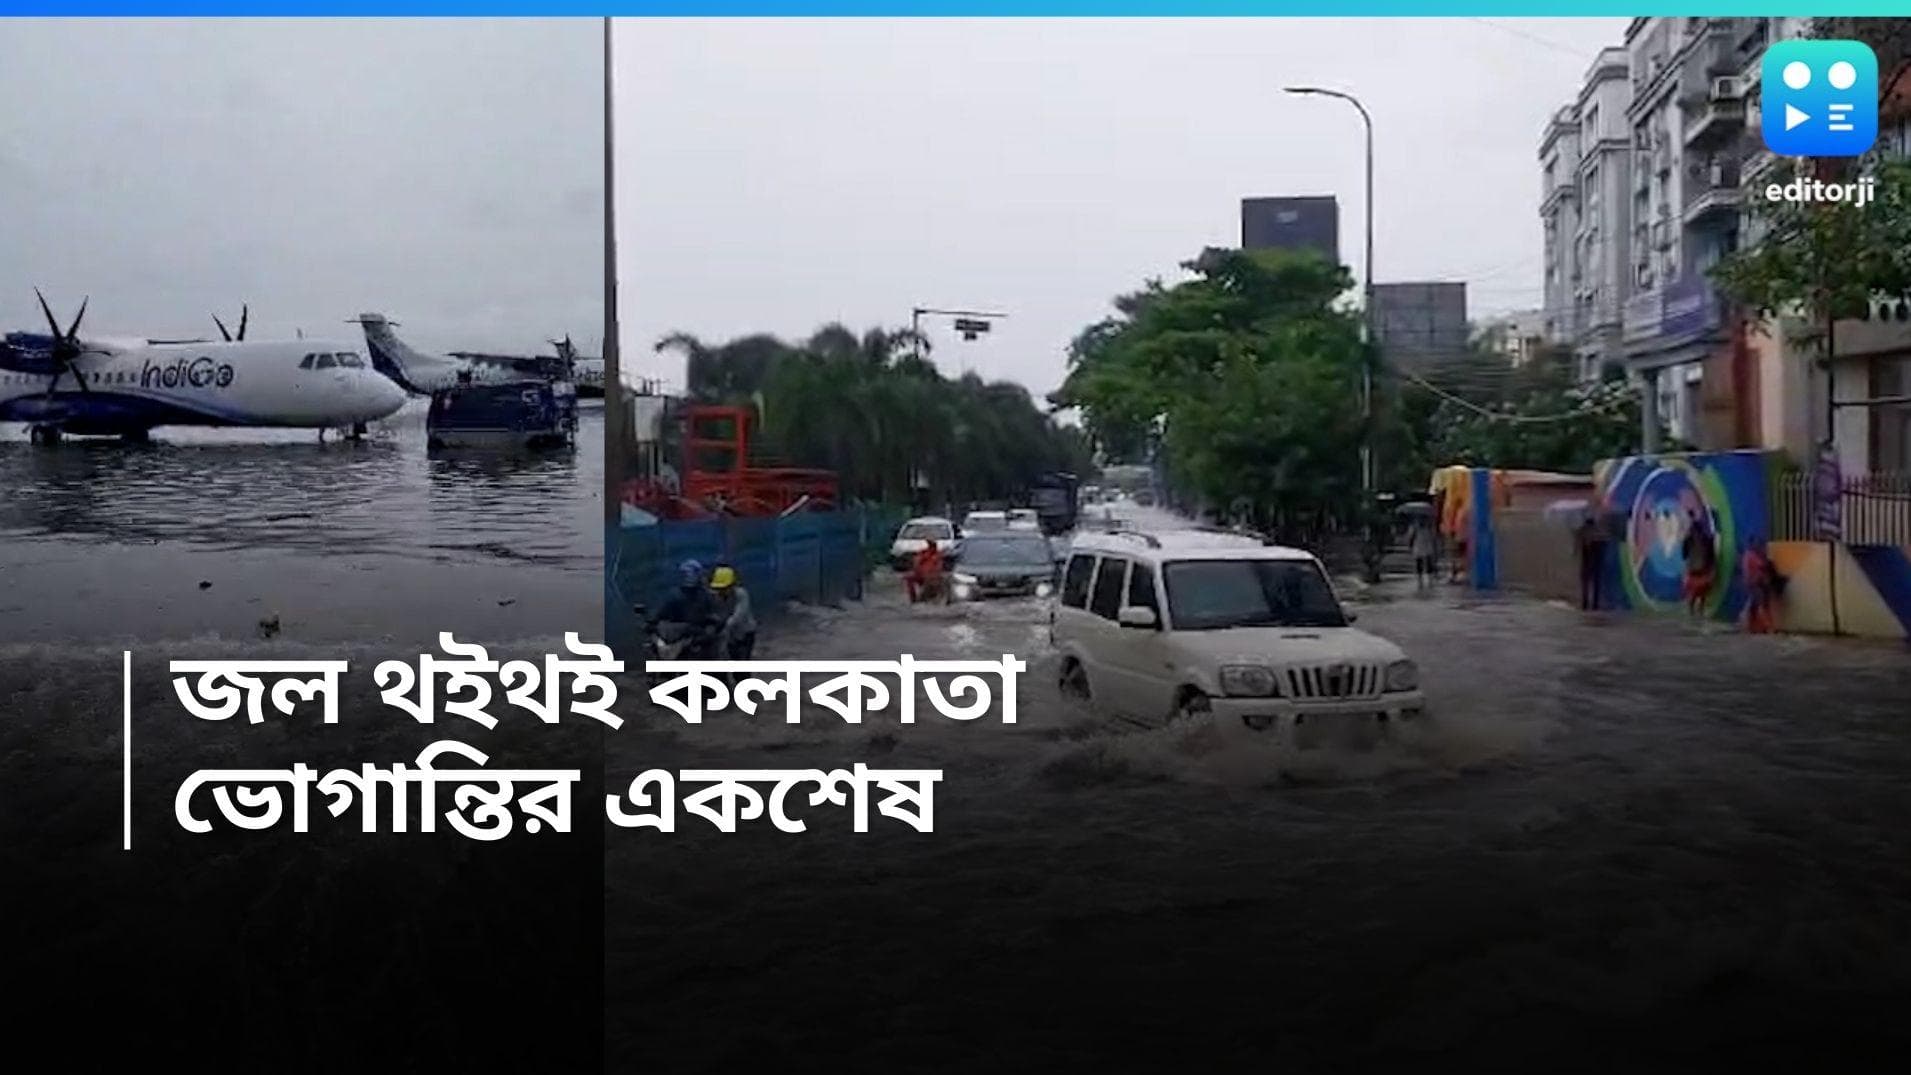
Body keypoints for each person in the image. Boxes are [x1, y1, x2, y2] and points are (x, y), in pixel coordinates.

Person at [655, 559, 719, 646]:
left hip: (699, 639)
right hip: (680, 640)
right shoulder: (675, 596)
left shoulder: (704, 595)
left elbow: (713, 616)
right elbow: (661, 617)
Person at [709, 564, 757, 660]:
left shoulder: (741, 594)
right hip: (730, 634)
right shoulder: (717, 597)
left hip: (744, 633)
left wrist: (724, 627)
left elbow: (739, 615)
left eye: (724, 588)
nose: (721, 591)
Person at [1681, 509, 1718, 620]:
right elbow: (1711, 553)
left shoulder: (1694, 539)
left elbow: (1684, 553)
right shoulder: (1704, 539)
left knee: (1698, 592)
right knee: (1700, 592)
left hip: (1697, 568)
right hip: (1700, 568)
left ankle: (1694, 612)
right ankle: (1696, 611)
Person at [1741, 542, 1778, 634]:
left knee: (1754, 606)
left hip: (1755, 583)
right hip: (1756, 583)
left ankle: (1752, 627)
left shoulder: (1749, 555)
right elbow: (1761, 565)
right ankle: (1769, 627)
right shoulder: (1752, 556)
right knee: (1762, 605)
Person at [1575, 511, 1607, 611]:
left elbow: (1578, 547)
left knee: (1587, 583)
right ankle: (1594, 605)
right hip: (1596, 565)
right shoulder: (1599, 533)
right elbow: (1604, 546)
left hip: (1588, 564)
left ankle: (1585, 604)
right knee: (1595, 583)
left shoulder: (1582, 532)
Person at [905, 539, 946, 604]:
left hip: (931, 576)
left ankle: (926, 597)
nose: (931, 548)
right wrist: (922, 557)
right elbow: (916, 564)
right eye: (930, 546)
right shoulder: (923, 553)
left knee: (932, 580)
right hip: (921, 574)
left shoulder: (937, 555)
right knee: (909, 579)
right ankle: (913, 598)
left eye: (932, 546)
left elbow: (939, 567)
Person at [1407, 515, 1437, 592]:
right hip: (1421, 547)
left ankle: (1425, 581)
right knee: (1422, 564)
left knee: (1425, 564)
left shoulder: (1428, 527)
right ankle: (1424, 581)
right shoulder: (1415, 527)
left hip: (1423, 547)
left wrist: (1410, 546)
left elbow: (1410, 538)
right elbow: (1411, 537)